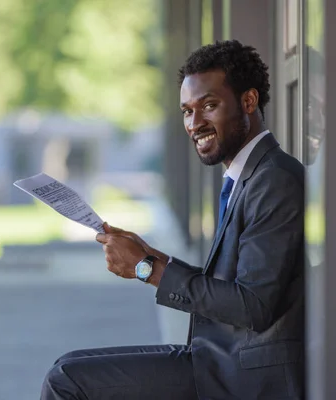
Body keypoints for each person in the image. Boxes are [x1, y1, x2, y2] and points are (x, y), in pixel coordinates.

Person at [40, 40, 305, 400]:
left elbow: (252, 305)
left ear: (248, 101)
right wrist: (147, 253)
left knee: (67, 381)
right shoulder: (248, 177)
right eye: (186, 111)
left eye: (208, 106)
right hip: (217, 362)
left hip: (241, 379)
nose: (195, 124)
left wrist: (148, 268)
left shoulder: (274, 179)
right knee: (64, 368)